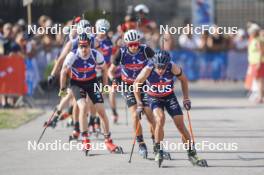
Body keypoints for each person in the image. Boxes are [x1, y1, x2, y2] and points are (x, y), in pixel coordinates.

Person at [133, 50, 208, 167]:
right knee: (159, 119)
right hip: (154, 98)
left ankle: (192, 153)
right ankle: (158, 150)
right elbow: (136, 83)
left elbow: (184, 79)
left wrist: (186, 98)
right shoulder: (148, 68)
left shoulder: (172, 66)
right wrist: (139, 103)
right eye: (159, 67)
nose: (161, 70)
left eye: (163, 67)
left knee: (180, 125)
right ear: (155, 64)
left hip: (169, 96)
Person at [60, 32, 123, 154]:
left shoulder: (96, 54)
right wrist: (62, 90)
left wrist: (105, 87)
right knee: (83, 107)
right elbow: (63, 72)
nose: (83, 49)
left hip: (92, 82)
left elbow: (105, 69)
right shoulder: (73, 55)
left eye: (86, 46)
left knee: (101, 110)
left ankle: (108, 141)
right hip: (77, 84)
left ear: (90, 45)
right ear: (78, 45)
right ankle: (85, 139)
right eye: (81, 46)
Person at [108, 29, 156, 159]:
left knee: (149, 114)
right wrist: (114, 81)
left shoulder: (146, 49)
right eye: (131, 45)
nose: (134, 47)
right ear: (126, 44)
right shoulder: (121, 52)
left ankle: (156, 142)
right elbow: (110, 71)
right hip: (128, 85)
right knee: (135, 115)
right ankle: (141, 144)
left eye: (136, 44)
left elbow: (158, 64)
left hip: (144, 84)